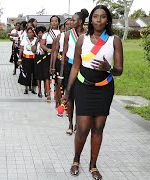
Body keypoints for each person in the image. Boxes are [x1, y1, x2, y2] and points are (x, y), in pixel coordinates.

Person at [64, 5, 123, 180]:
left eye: (103, 17)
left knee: (98, 128)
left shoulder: (114, 40)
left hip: (104, 89)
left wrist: (109, 68)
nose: (99, 20)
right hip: (83, 88)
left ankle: (93, 165)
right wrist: (67, 91)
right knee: (82, 129)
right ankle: (76, 160)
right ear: (91, 20)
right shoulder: (82, 39)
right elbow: (75, 66)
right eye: (95, 17)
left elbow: (120, 69)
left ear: (108, 20)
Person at [60, 9, 89, 135]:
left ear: (81, 22)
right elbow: (64, 55)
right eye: (71, 19)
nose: (71, 22)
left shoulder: (88, 34)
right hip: (69, 67)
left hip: (83, 67)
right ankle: (70, 124)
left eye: (73, 20)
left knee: (81, 97)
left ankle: (79, 122)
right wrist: (61, 74)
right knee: (70, 97)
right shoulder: (68, 34)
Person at [50, 18, 72, 108]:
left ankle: (67, 104)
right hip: (60, 62)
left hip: (71, 62)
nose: (69, 26)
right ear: (64, 26)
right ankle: (58, 102)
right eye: (67, 24)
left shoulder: (77, 36)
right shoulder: (60, 36)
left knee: (69, 84)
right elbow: (55, 51)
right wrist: (52, 66)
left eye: (71, 24)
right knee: (59, 83)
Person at [42, 15, 61, 102]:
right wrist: (49, 49)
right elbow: (42, 44)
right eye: (52, 21)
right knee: (47, 75)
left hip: (58, 56)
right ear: (50, 22)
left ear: (58, 22)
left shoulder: (62, 33)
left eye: (56, 21)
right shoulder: (46, 34)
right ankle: (48, 94)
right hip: (48, 55)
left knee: (57, 75)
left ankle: (57, 94)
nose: (54, 22)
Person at [18, 27, 37, 94]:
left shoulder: (36, 39)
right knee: (26, 73)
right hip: (26, 59)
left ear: (33, 33)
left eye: (31, 32)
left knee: (35, 73)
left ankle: (34, 88)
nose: (29, 34)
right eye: (28, 32)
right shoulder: (24, 40)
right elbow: (21, 49)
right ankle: (26, 88)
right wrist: (20, 58)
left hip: (34, 59)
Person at [31, 26, 47, 98]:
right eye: (39, 33)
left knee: (45, 75)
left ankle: (45, 90)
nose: (40, 35)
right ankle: (39, 90)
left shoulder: (46, 40)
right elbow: (33, 50)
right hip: (37, 57)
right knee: (38, 75)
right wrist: (36, 43)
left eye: (42, 33)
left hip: (45, 57)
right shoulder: (35, 41)